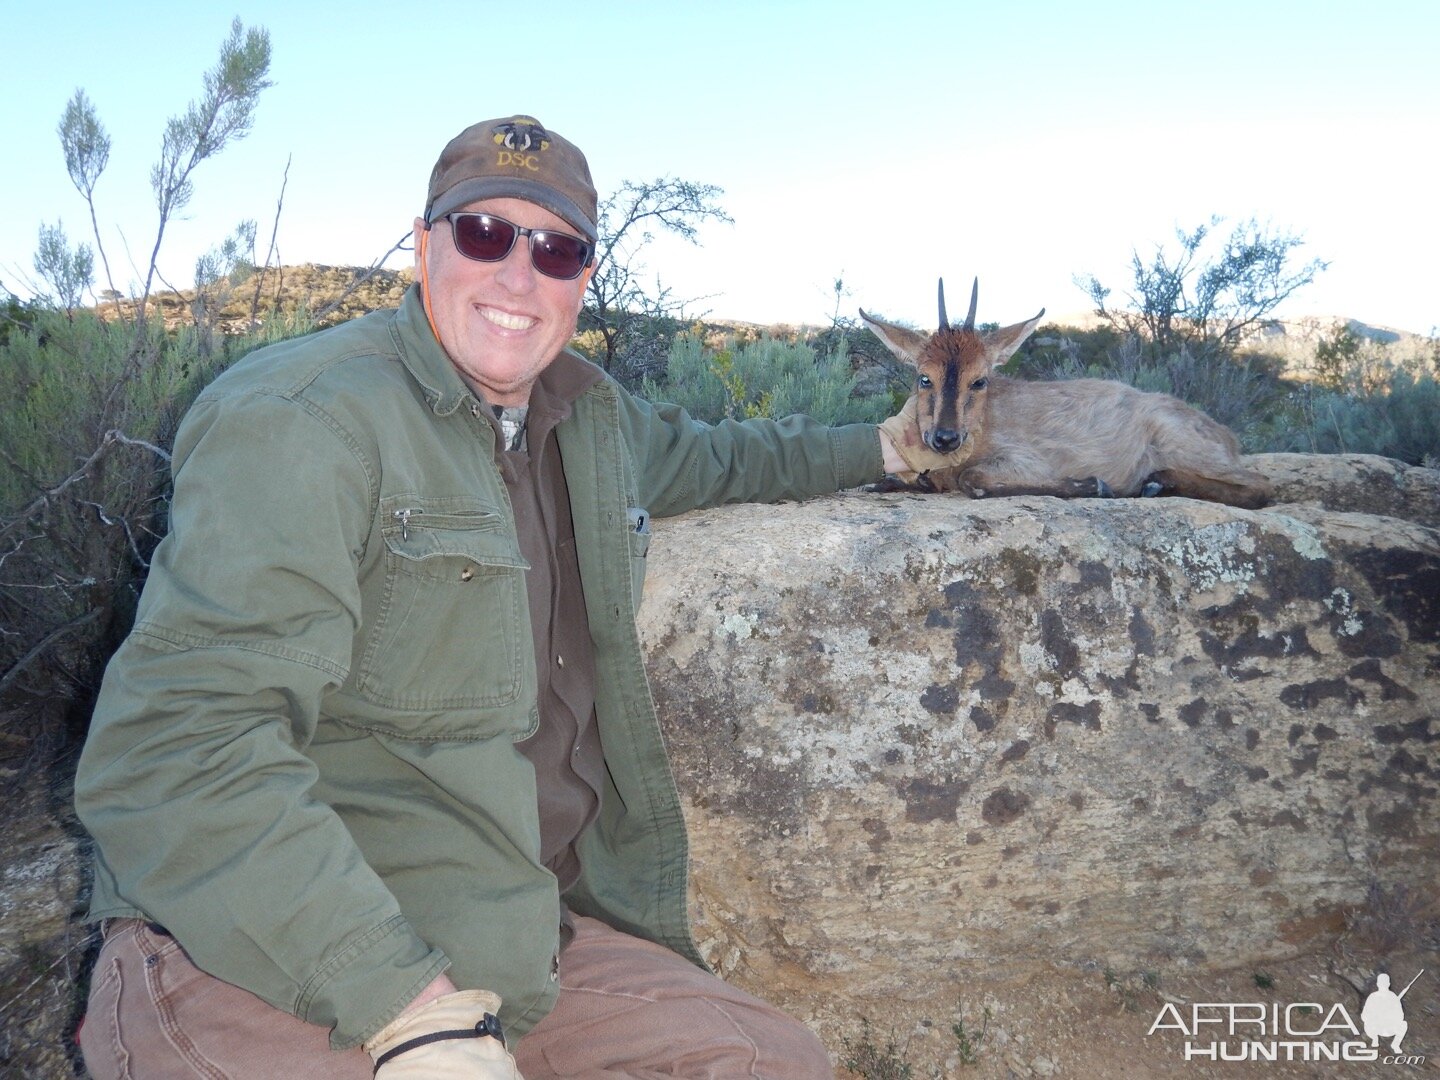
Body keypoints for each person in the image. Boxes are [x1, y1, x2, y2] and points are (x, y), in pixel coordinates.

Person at [74, 115, 919, 1078]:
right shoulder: (306, 420)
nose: (519, 276)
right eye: (485, 235)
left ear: (584, 278)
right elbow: (178, 749)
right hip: (261, 938)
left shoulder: (588, 418)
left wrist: (889, 448)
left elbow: (724, 454)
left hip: (499, 931)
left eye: (556, 250)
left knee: (772, 1061)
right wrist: (405, 1009)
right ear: (425, 241)